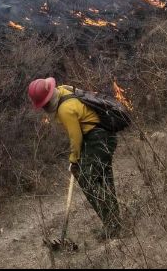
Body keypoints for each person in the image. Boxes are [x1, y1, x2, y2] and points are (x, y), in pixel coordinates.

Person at [28, 77, 122, 239]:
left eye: (43, 104)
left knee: (87, 179)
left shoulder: (65, 109)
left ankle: (112, 225)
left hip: (98, 138)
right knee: (103, 178)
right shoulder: (64, 89)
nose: (43, 108)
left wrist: (74, 160)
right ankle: (113, 223)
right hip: (102, 136)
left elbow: (76, 138)